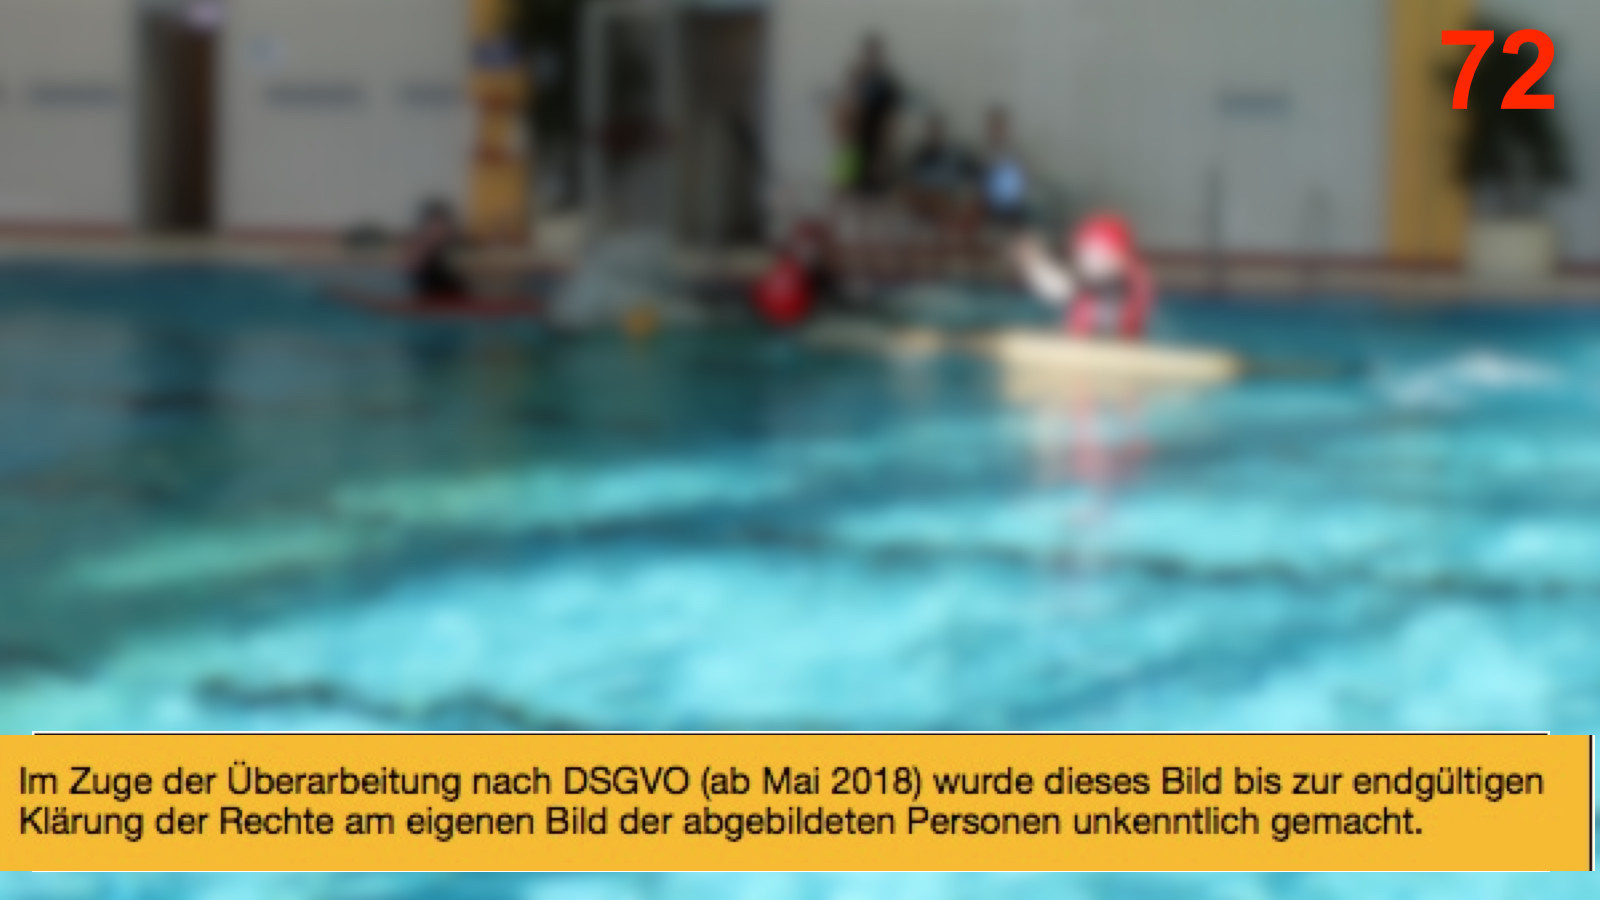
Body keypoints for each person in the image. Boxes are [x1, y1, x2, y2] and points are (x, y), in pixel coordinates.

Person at [1009, 212, 1155, 340]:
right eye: (1084, 256)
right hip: (1083, 347)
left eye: (1095, 255)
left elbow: (1064, 288)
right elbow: (1061, 287)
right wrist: (1034, 263)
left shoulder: (1131, 284)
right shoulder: (1087, 282)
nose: (1087, 262)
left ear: (1120, 257)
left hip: (1114, 350)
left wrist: (1036, 264)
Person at [845, 34, 904, 198]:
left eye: (874, 54)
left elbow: (891, 120)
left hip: (877, 147)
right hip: (855, 147)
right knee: (851, 192)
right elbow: (848, 114)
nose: (870, 58)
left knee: (875, 193)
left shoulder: (886, 83)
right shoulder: (857, 80)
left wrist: (884, 154)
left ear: (879, 56)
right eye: (868, 54)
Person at [904, 114, 977, 223]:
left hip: (947, 195)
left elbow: (972, 170)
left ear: (942, 132)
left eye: (937, 130)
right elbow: (912, 179)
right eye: (932, 130)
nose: (935, 134)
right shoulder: (920, 154)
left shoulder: (954, 153)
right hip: (925, 195)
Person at [406, 199, 470, 304]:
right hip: (430, 302)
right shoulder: (420, 250)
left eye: (442, 225)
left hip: (454, 302)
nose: (438, 230)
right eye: (434, 225)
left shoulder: (455, 248)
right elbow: (411, 271)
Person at [980, 106, 1031, 228]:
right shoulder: (982, 152)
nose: (997, 130)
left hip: (1012, 204)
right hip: (987, 204)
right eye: (994, 127)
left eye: (1000, 127)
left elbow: (1021, 181)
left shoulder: (1015, 153)